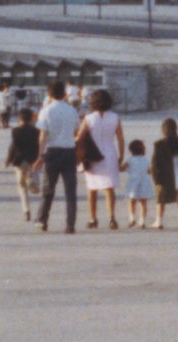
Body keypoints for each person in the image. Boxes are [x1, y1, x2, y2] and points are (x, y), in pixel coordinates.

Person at [35, 81, 81, 234]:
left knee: (48, 189)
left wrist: (40, 155)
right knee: (70, 190)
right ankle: (70, 224)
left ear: (49, 94)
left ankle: (42, 220)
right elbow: (76, 132)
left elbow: (43, 135)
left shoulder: (46, 111)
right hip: (69, 151)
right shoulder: (72, 110)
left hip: (52, 151)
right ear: (65, 93)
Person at [78, 88, 125, 229]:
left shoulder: (89, 118)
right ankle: (112, 217)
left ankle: (93, 218)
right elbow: (121, 139)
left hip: (93, 155)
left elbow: (79, 138)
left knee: (92, 188)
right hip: (110, 153)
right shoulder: (115, 118)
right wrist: (121, 156)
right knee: (108, 188)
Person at [150, 117, 178, 230]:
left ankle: (159, 221)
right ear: (176, 129)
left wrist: (156, 177)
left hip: (165, 175)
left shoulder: (159, 145)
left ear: (163, 130)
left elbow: (155, 163)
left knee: (161, 198)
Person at [5, 107, 42, 221]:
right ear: (32, 119)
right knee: (34, 181)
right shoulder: (37, 131)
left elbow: (13, 147)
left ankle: (26, 210)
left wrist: (8, 160)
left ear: (19, 119)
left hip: (19, 160)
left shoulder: (16, 131)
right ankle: (32, 182)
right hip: (33, 160)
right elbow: (39, 146)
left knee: (21, 187)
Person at [124, 138, 153, 229]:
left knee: (132, 201)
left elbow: (123, 168)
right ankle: (142, 220)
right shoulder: (145, 159)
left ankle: (132, 218)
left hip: (133, 182)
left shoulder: (130, 159)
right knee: (143, 202)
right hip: (144, 181)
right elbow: (149, 171)